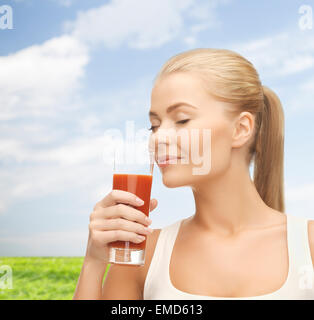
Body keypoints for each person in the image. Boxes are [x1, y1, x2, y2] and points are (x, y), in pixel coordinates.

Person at [73, 48, 314, 300]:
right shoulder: (143, 254)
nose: (158, 138)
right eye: (154, 125)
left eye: (182, 120)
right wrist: (93, 262)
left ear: (241, 129)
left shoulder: (308, 246)